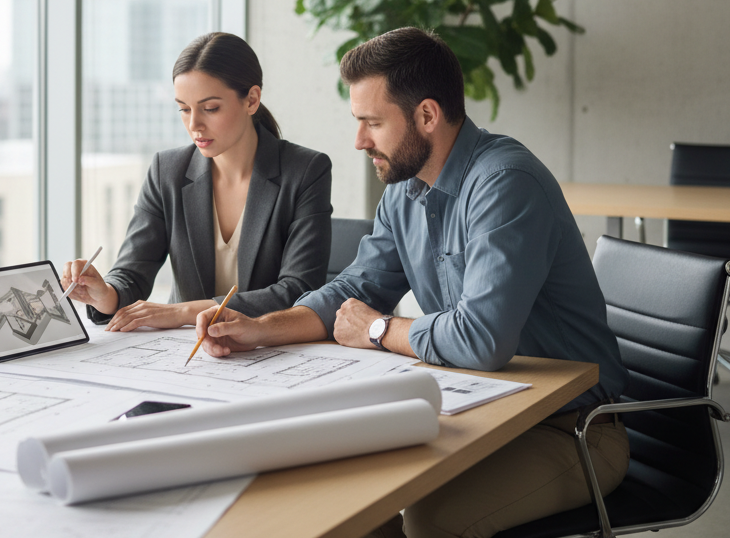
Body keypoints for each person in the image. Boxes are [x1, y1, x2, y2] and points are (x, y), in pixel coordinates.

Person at [195, 28, 630, 538]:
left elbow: (481, 339)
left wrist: (379, 331)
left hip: (571, 429)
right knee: (343, 494)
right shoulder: (406, 188)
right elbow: (353, 291)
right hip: (481, 409)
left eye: (372, 123)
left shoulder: (506, 185)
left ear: (427, 115)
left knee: (432, 521)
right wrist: (260, 328)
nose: (358, 140)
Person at [61, 32, 332, 332]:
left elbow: (298, 291)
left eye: (210, 108)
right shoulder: (168, 171)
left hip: (266, 351)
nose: (194, 125)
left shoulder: (306, 171)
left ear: (252, 100)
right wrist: (105, 295)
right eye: (184, 109)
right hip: (185, 354)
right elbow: (132, 274)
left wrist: (184, 312)